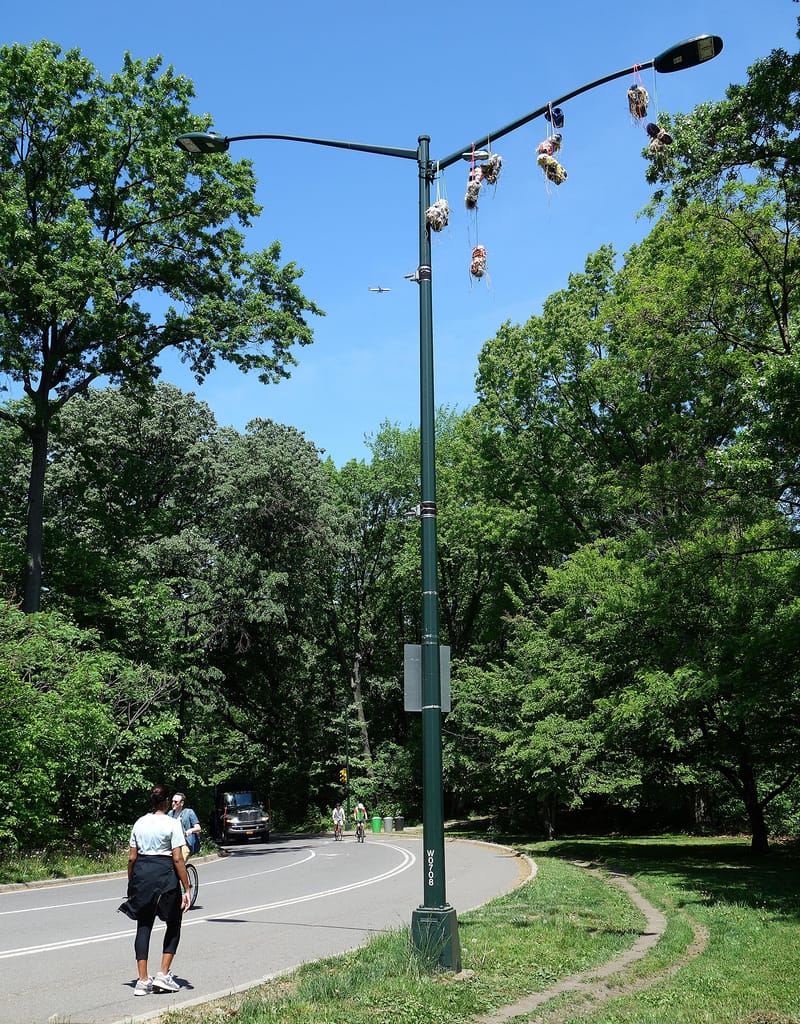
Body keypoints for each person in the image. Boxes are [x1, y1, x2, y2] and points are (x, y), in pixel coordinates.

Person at [119, 784, 191, 996]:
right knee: (174, 922)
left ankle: (142, 981)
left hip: (142, 874)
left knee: (144, 924)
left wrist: (133, 881)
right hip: (165, 875)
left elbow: (132, 857)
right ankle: (163, 974)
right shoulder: (172, 823)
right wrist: (186, 887)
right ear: (167, 801)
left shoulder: (140, 822)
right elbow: (177, 858)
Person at [169, 792, 201, 858]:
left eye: (175, 802)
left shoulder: (189, 812)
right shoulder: (170, 814)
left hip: (185, 843)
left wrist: (190, 830)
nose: (173, 803)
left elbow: (198, 828)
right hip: (172, 843)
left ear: (182, 803)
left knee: (179, 862)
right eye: (172, 801)